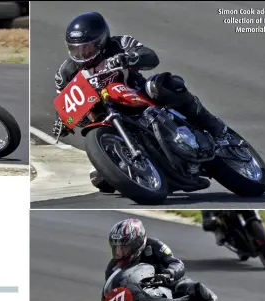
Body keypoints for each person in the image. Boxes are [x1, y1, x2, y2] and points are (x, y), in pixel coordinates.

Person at [52, 12, 229, 192]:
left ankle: (214, 127)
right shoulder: (65, 73)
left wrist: (128, 58)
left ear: (101, 41)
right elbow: (64, 104)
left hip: (140, 96)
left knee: (165, 84)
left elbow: (150, 57)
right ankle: (152, 170)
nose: (82, 54)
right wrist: (62, 120)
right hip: (107, 119)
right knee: (101, 179)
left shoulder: (119, 44)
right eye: (77, 49)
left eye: (87, 48)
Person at [98, 218, 241, 301]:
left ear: (138, 242)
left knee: (194, 289)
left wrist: (168, 274)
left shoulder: (154, 246)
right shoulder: (113, 268)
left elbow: (176, 263)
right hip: (142, 297)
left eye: (124, 248)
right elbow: (114, 291)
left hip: (169, 284)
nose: (120, 253)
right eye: (116, 248)